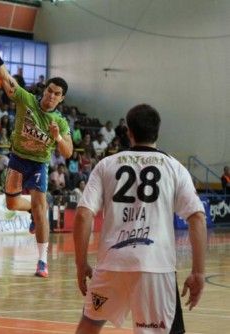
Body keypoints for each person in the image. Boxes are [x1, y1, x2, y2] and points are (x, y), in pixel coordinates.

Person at [73, 104, 207, 334]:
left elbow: (83, 214)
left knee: (89, 326)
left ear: (128, 132)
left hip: (111, 264)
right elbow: (197, 218)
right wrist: (198, 272)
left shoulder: (107, 164)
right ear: (157, 131)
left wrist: (80, 263)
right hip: (154, 267)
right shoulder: (174, 167)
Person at [0, 32, 73, 278]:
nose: (51, 96)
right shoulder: (26, 100)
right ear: (45, 90)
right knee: (11, 204)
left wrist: (58, 138)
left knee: (41, 207)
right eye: (49, 91)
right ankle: (32, 209)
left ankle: (42, 261)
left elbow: (68, 152)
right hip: (17, 158)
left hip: (39, 165)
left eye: (57, 94)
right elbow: (4, 75)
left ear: (61, 99)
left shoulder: (60, 123)